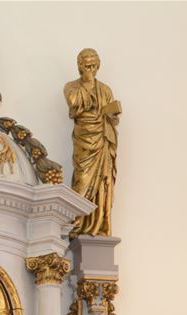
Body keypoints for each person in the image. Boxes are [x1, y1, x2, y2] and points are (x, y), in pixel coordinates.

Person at [63, 48, 121, 237]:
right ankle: (78, 222)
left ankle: (100, 224)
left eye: (94, 66)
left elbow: (112, 118)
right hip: (84, 141)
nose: (91, 70)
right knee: (82, 179)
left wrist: (112, 115)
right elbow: (74, 102)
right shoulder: (71, 87)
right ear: (80, 66)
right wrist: (87, 85)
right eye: (87, 66)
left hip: (102, 139)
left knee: (103, 181)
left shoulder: (105, 89)